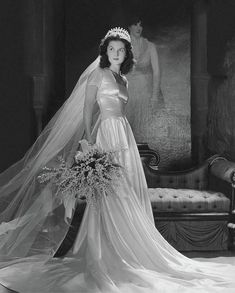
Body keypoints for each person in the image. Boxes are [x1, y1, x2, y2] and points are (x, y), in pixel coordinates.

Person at [0, 28, 235, 293]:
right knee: (109, 196)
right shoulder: (97, 75)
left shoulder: (124, 80)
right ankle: (105, 253)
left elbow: (122, 113)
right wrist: (89, 142)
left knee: (128, 193)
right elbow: (88, 110)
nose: (116, 54)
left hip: (124, 135)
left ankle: (130, 249)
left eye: (120, 50)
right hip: (106, 135)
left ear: (126, 54)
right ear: (106, 52)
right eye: (112, 49)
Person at [125, 17, 165, 143]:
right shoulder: (122, 45)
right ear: (129, 26)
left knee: (143, 132)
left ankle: (142, 161)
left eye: (140, 25)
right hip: (127, 92)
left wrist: (154, 96)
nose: (138, 28)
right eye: (135, 24)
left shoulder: (150, 46)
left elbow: (157, 72)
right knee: (125, 132)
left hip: (145, 93)